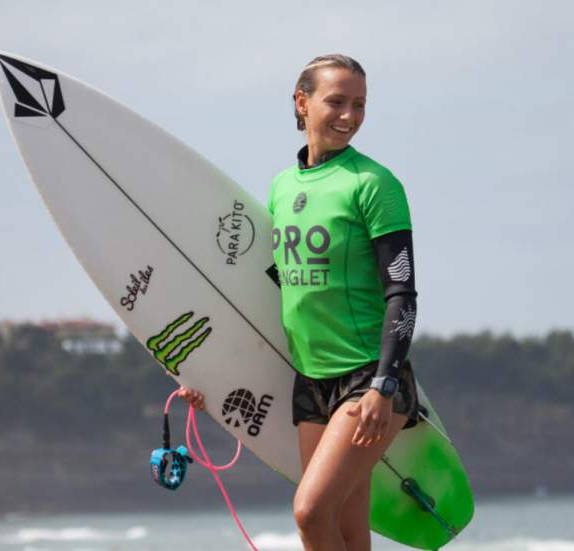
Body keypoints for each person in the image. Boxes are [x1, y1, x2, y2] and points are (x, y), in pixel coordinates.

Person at [178, 54, 420, 551]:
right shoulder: (282, 187)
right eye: (336, 102)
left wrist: (383, 384)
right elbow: (269, 293)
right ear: (302, 102)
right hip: (311, 382)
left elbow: (402, 291)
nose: (349, 116)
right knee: (349, 532)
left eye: (359, 104)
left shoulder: (373, 185)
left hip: (367, 379)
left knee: (310, 513)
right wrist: (209, 374)